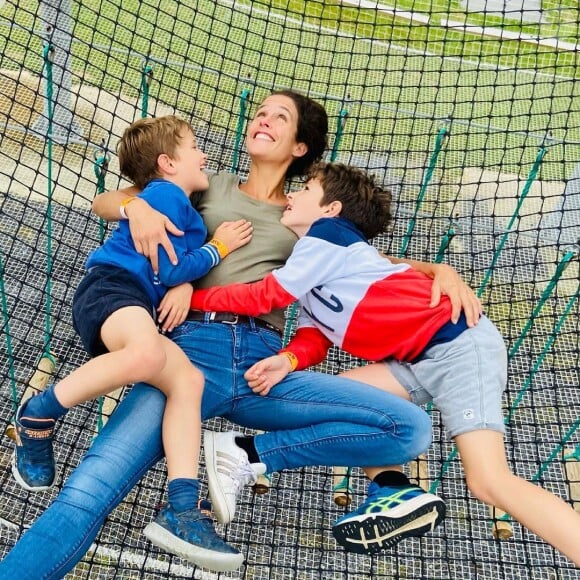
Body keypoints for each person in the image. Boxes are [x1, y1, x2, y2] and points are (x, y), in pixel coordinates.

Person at [0, 90, 481, 579]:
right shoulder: (208, 186)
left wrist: (439, 268)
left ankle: (246, 456)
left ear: (300, 147)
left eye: (281, 117)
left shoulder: (307, 214)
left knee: (409, 427)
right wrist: (135, 211)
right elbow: (111, 199)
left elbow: (373, 267)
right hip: (187, 352)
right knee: (88, 492)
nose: (264, 119)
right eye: (261, 112)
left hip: (261, 366)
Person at [188, 161, 580, 565]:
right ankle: (390, 486)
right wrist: (288, 359)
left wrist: (189, 299)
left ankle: (250, 452)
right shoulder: (316, 261)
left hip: (460, 346)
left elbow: (262, 298)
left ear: (331, 209)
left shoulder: (328, 236)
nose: (292, 195)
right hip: (415, 358)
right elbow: (315, 337)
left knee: (489, 481)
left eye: (306, 189)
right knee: (351, 400)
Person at [10, 115, 253, 572]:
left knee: (187, 382)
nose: (205, 154)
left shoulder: (176, 199)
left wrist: (186, 281)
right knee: (146, 355)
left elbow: (172, 269)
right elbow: (169, 268)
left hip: (133, 300)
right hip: (113, 290)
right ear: (167, 162)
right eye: (195, 146)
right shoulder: (165, 195)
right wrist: (219, 248)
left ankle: (182, 505)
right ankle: (38, 414)